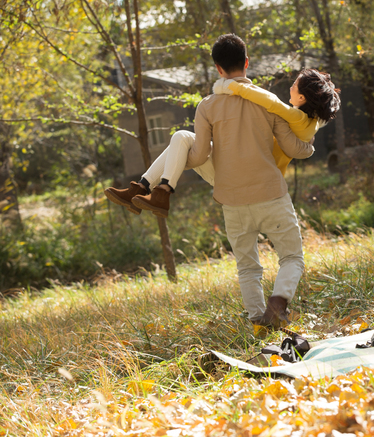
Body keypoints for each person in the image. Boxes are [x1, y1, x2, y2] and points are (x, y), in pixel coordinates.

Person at [105, 34, 340, 329]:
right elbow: (295, 149)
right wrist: (310, 143)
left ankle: (258, 322)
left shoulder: (206, 106)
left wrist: (179, 159)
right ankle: (278, 304)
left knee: (247, 267)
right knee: (292, 257)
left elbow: (200, 155)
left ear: (217, 68)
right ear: (247, 62)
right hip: (270, 193)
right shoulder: (267, 103)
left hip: (231, 196)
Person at [104, 68, 340, 217]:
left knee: (181, 139)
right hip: (242, 170)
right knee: (181, 137)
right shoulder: (308, 122)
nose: (290, 86)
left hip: (244, 176)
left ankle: (156, 191)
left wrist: (231, 87)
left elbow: (269, 101)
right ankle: (145, 189)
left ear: (302, 97)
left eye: (294, 85)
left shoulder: (296, 117)